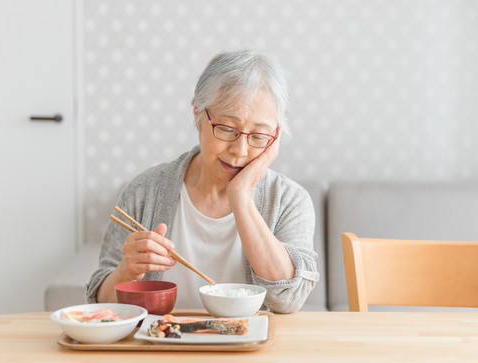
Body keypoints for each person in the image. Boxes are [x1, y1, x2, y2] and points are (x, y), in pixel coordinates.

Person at [86, 49, 319, 313]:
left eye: (258, 136)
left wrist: (241, 195)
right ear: (198, 113)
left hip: (251, 350)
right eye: (227, 129)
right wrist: (126, 271)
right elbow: (99, 302)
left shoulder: (289, 200)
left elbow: (287, 300)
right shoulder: (145, 191)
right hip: (162, 347)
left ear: (275, 136)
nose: (240, 151)